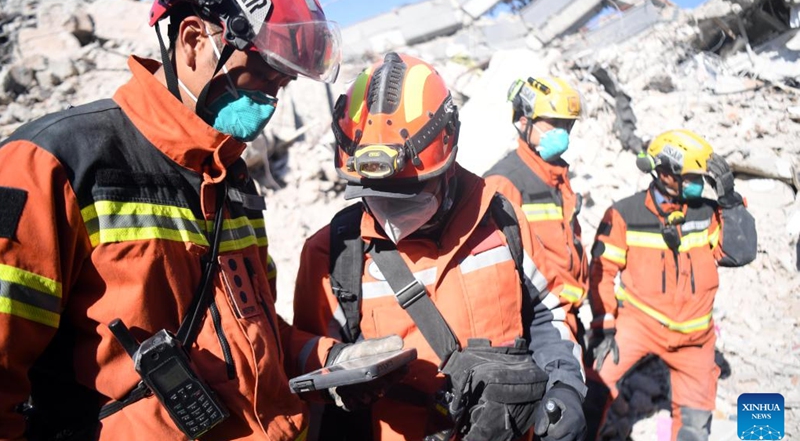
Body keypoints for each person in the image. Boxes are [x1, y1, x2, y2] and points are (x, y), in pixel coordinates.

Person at [0, 0, 341, 439]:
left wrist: (331, 358)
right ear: (194, 40)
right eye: (260, 78)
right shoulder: (55, 163)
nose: (270, 102)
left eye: (282, 86)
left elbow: (257, 335)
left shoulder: (235, 182)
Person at [287, 52, 587, 441]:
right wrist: (336, 363)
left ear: (449, 154)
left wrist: (565, 385)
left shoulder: (498, 216)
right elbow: (304, 366)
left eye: (409, 192)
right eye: (376, 195)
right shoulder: (333, 253)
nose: (392, 212)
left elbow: (549, 313)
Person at [586, 129, 757, 441]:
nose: (697, 183)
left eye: (699, 177)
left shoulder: (707, 212)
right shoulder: (626, 213)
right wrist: (604, 326)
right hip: (638, 324)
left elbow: (740, 253)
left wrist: (730, 202)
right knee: (591, 387)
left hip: (695, 337)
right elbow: (602, 272)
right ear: (664, 172)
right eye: (690, 176)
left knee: (693, 426)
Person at [484, 76, 588, 343]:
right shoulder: (505, 181)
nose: (563, 132)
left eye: (568, 124)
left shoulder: (557, 176)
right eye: (554, 124)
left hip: (568, 314)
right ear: (523, 121)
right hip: (539, 324)